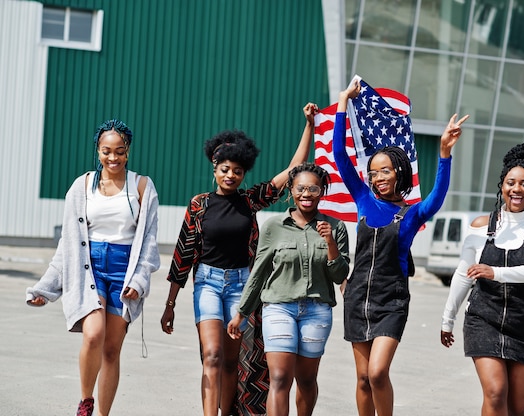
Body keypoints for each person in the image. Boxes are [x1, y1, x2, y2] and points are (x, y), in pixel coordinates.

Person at [160, 103, 319, 416]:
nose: (230, 175)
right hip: (206, 283)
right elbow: (184, 253)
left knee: (232, 362)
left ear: (243, 173)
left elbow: (292, 173)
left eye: (237, 171)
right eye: (224, 169)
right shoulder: (199, 205)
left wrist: (310, 126)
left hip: (241, 288)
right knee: (213, 356)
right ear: (214, 168)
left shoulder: (249, 201)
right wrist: (170, 304)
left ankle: (228, 411)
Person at [333, 79, 468, 416]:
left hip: (391, 301)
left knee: (378, 373)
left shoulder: (409, 214)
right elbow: (339, 156)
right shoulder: (363, 199)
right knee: (363, 379)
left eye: (385, 171)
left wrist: (445, 154)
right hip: (357, 298)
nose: (378, 177)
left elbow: (436, 199)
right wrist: (341, 103)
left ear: (400, 173)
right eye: (373, 171)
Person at [26, 119, 160, 416]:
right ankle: (86, 401)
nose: (113, 158)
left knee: (112, 351)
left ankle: (103, 414)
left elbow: (149, 241)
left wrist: (139, 280)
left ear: (128, 152)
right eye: (106, 151)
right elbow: (68, 244)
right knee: (93, 335)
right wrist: (45, 289)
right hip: (90, 268)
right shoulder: (82, 186)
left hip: (123, 271)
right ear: (97, 151)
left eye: (120, 151)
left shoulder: (142, 186)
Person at [440, 143, 524, 416]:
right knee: (495, 392)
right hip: (483, 319)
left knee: (519, 408)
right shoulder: (481, 227)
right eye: (511, 182)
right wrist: (448, 318)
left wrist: (495, 272)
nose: (517, 189)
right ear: (502, 185)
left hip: (522, 324)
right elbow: (463, 274)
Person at [227, 163, 350, 416]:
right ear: (291, 191)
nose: (307, 194)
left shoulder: (335, 227)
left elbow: (339, 275)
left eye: (313, 188)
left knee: (306, 380)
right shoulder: (274, 226)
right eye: (301, 188)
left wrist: (330, 243)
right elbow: (258, 273)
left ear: (322, 191)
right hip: (278, 309)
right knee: (280, 378)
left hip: (317, 312)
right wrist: (241, 313)